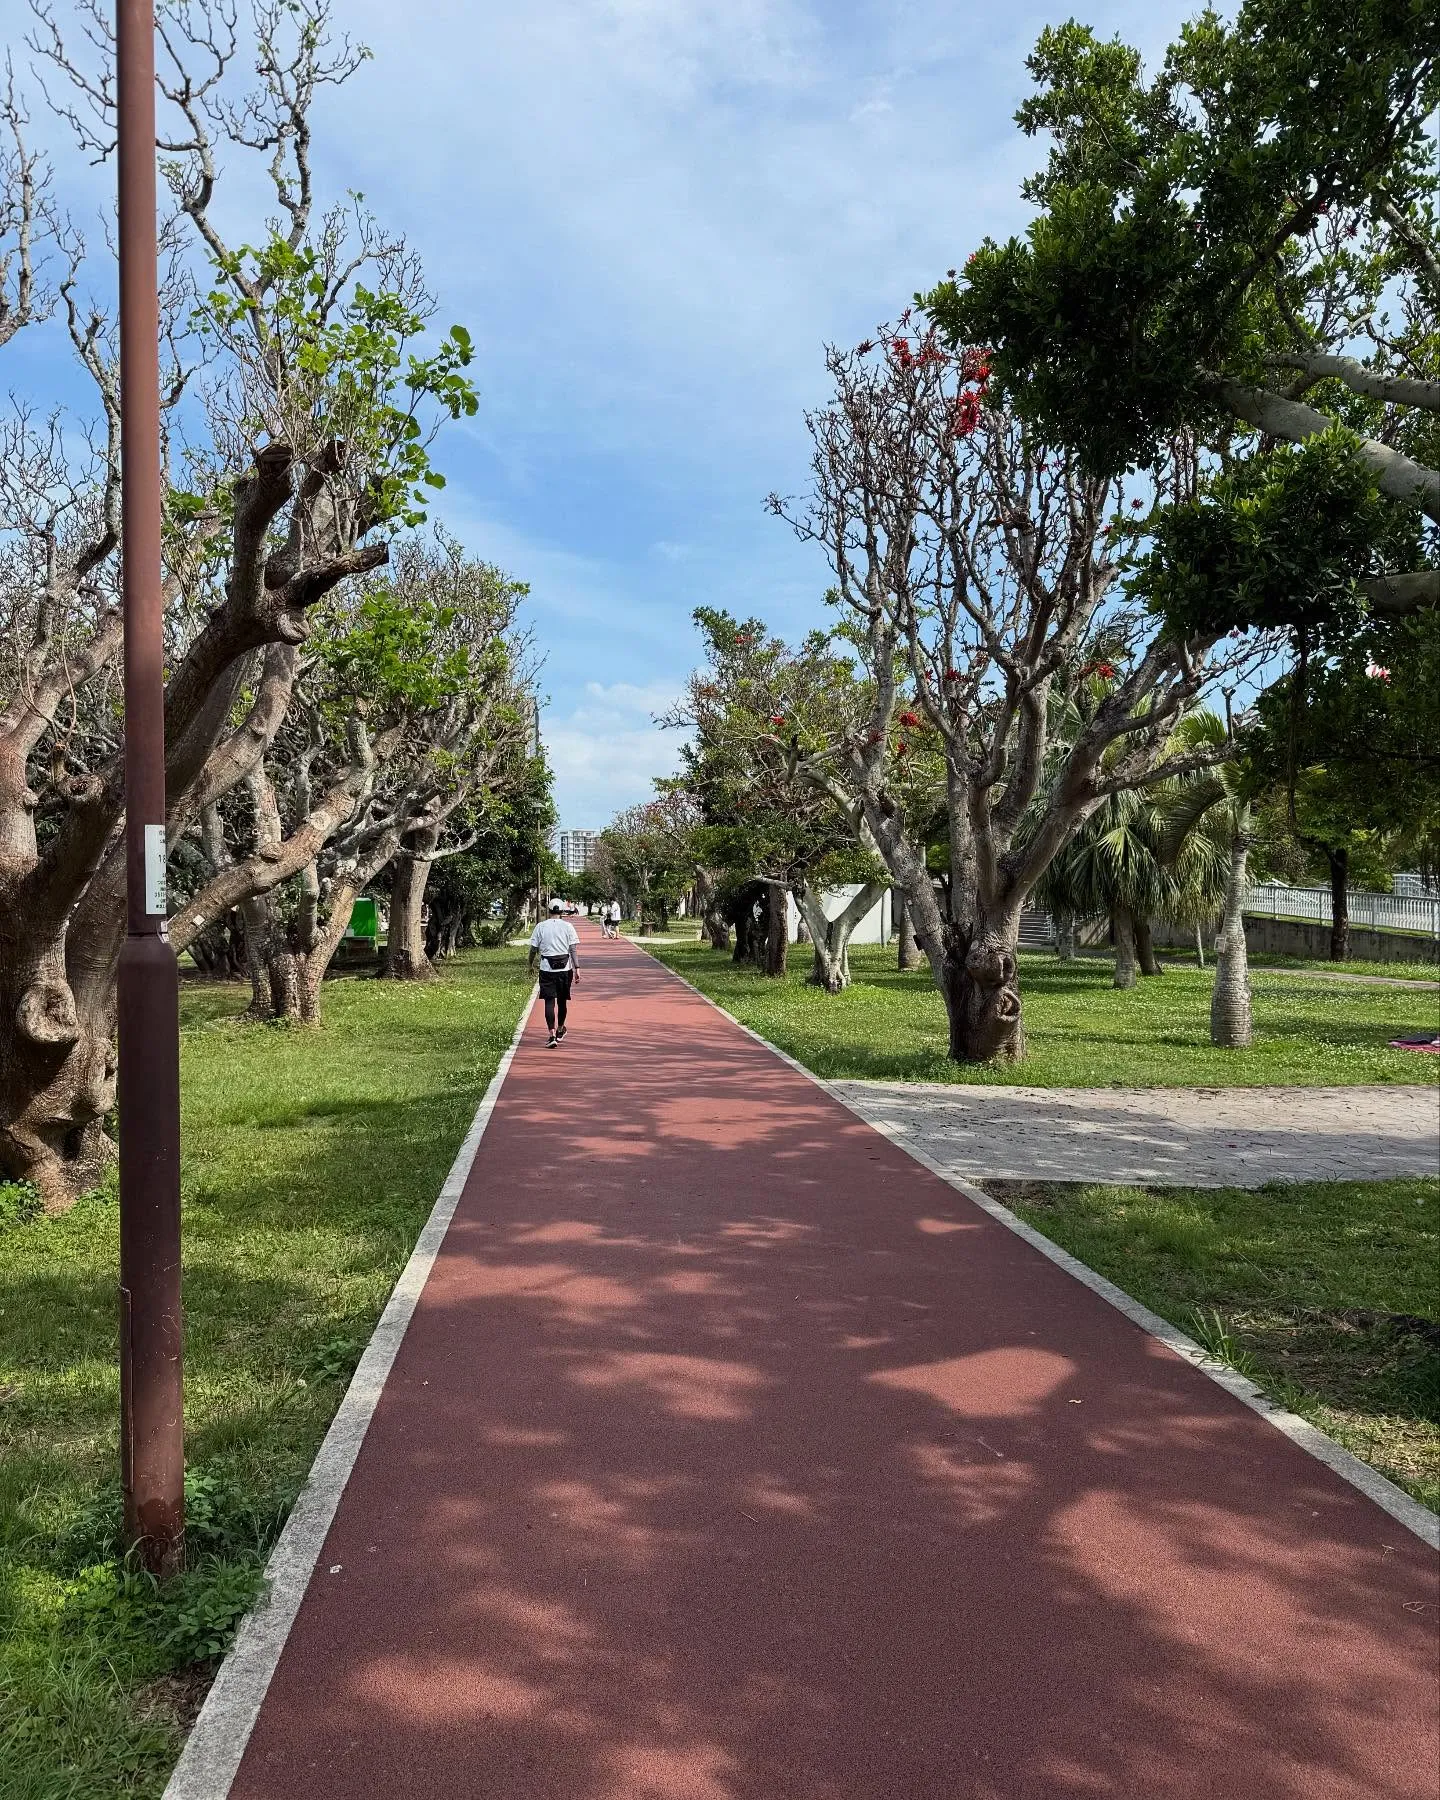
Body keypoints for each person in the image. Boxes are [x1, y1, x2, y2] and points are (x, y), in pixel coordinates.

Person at [529, 897, 580, 1047]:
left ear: (549, 910)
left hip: (546, 969)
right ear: (563, 911)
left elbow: (533, 949)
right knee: (562, 1001)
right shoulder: (568, 926)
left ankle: (551, 1035)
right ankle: (560, 1029)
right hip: (565, 969)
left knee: (549, 1001)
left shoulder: (540, 926)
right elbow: (573, 949)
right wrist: (577, 968)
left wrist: (530, 964)